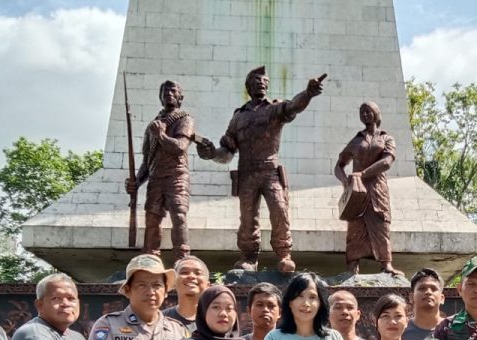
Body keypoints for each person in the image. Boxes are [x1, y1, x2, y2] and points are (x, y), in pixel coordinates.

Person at [199, 66, 325, 274]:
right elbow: (227, 151)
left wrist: (308, 93)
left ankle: (284, 255)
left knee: (279, 211)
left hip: (270, 171)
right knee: (247, 217)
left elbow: (294, 106)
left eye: (264, 80)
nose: (260, 82)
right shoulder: (238, 117)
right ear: (248, 86)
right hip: (247, 172)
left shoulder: (274, 108)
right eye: (256, 80)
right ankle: (249, 257)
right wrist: (212, 153)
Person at [125, 80, 198, 257]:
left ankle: (181, 258)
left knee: (178, 216)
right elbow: (146, 160)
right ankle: (150, 257)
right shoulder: (153, 126)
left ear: (180, 97)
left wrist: (161, 135)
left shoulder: (184, 119)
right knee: (152, 219)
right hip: (156, 177)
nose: (169, 94)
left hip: (177, 175)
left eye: (173, 91)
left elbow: (180, 147)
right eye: (165, 91)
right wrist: (137, 181)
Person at [334, 101, 400, 276]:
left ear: (376, 114)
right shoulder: (356, 141)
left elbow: (387, 161)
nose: (364, 114)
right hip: (358, 190)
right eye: (361, 112)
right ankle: (352, 266)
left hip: (378, 188)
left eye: (368, 111)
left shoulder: (386, 138)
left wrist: (362, 173)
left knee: (381, 223)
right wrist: (345, 183)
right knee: (356, 226)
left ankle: (386, 265)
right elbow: (339, 166)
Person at [164, 255, 211, 332]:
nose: (191, 276)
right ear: (174, 283)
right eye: (184, 272)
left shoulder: (216, 320)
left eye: (198, 273)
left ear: (208, 285)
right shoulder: (162, 320)